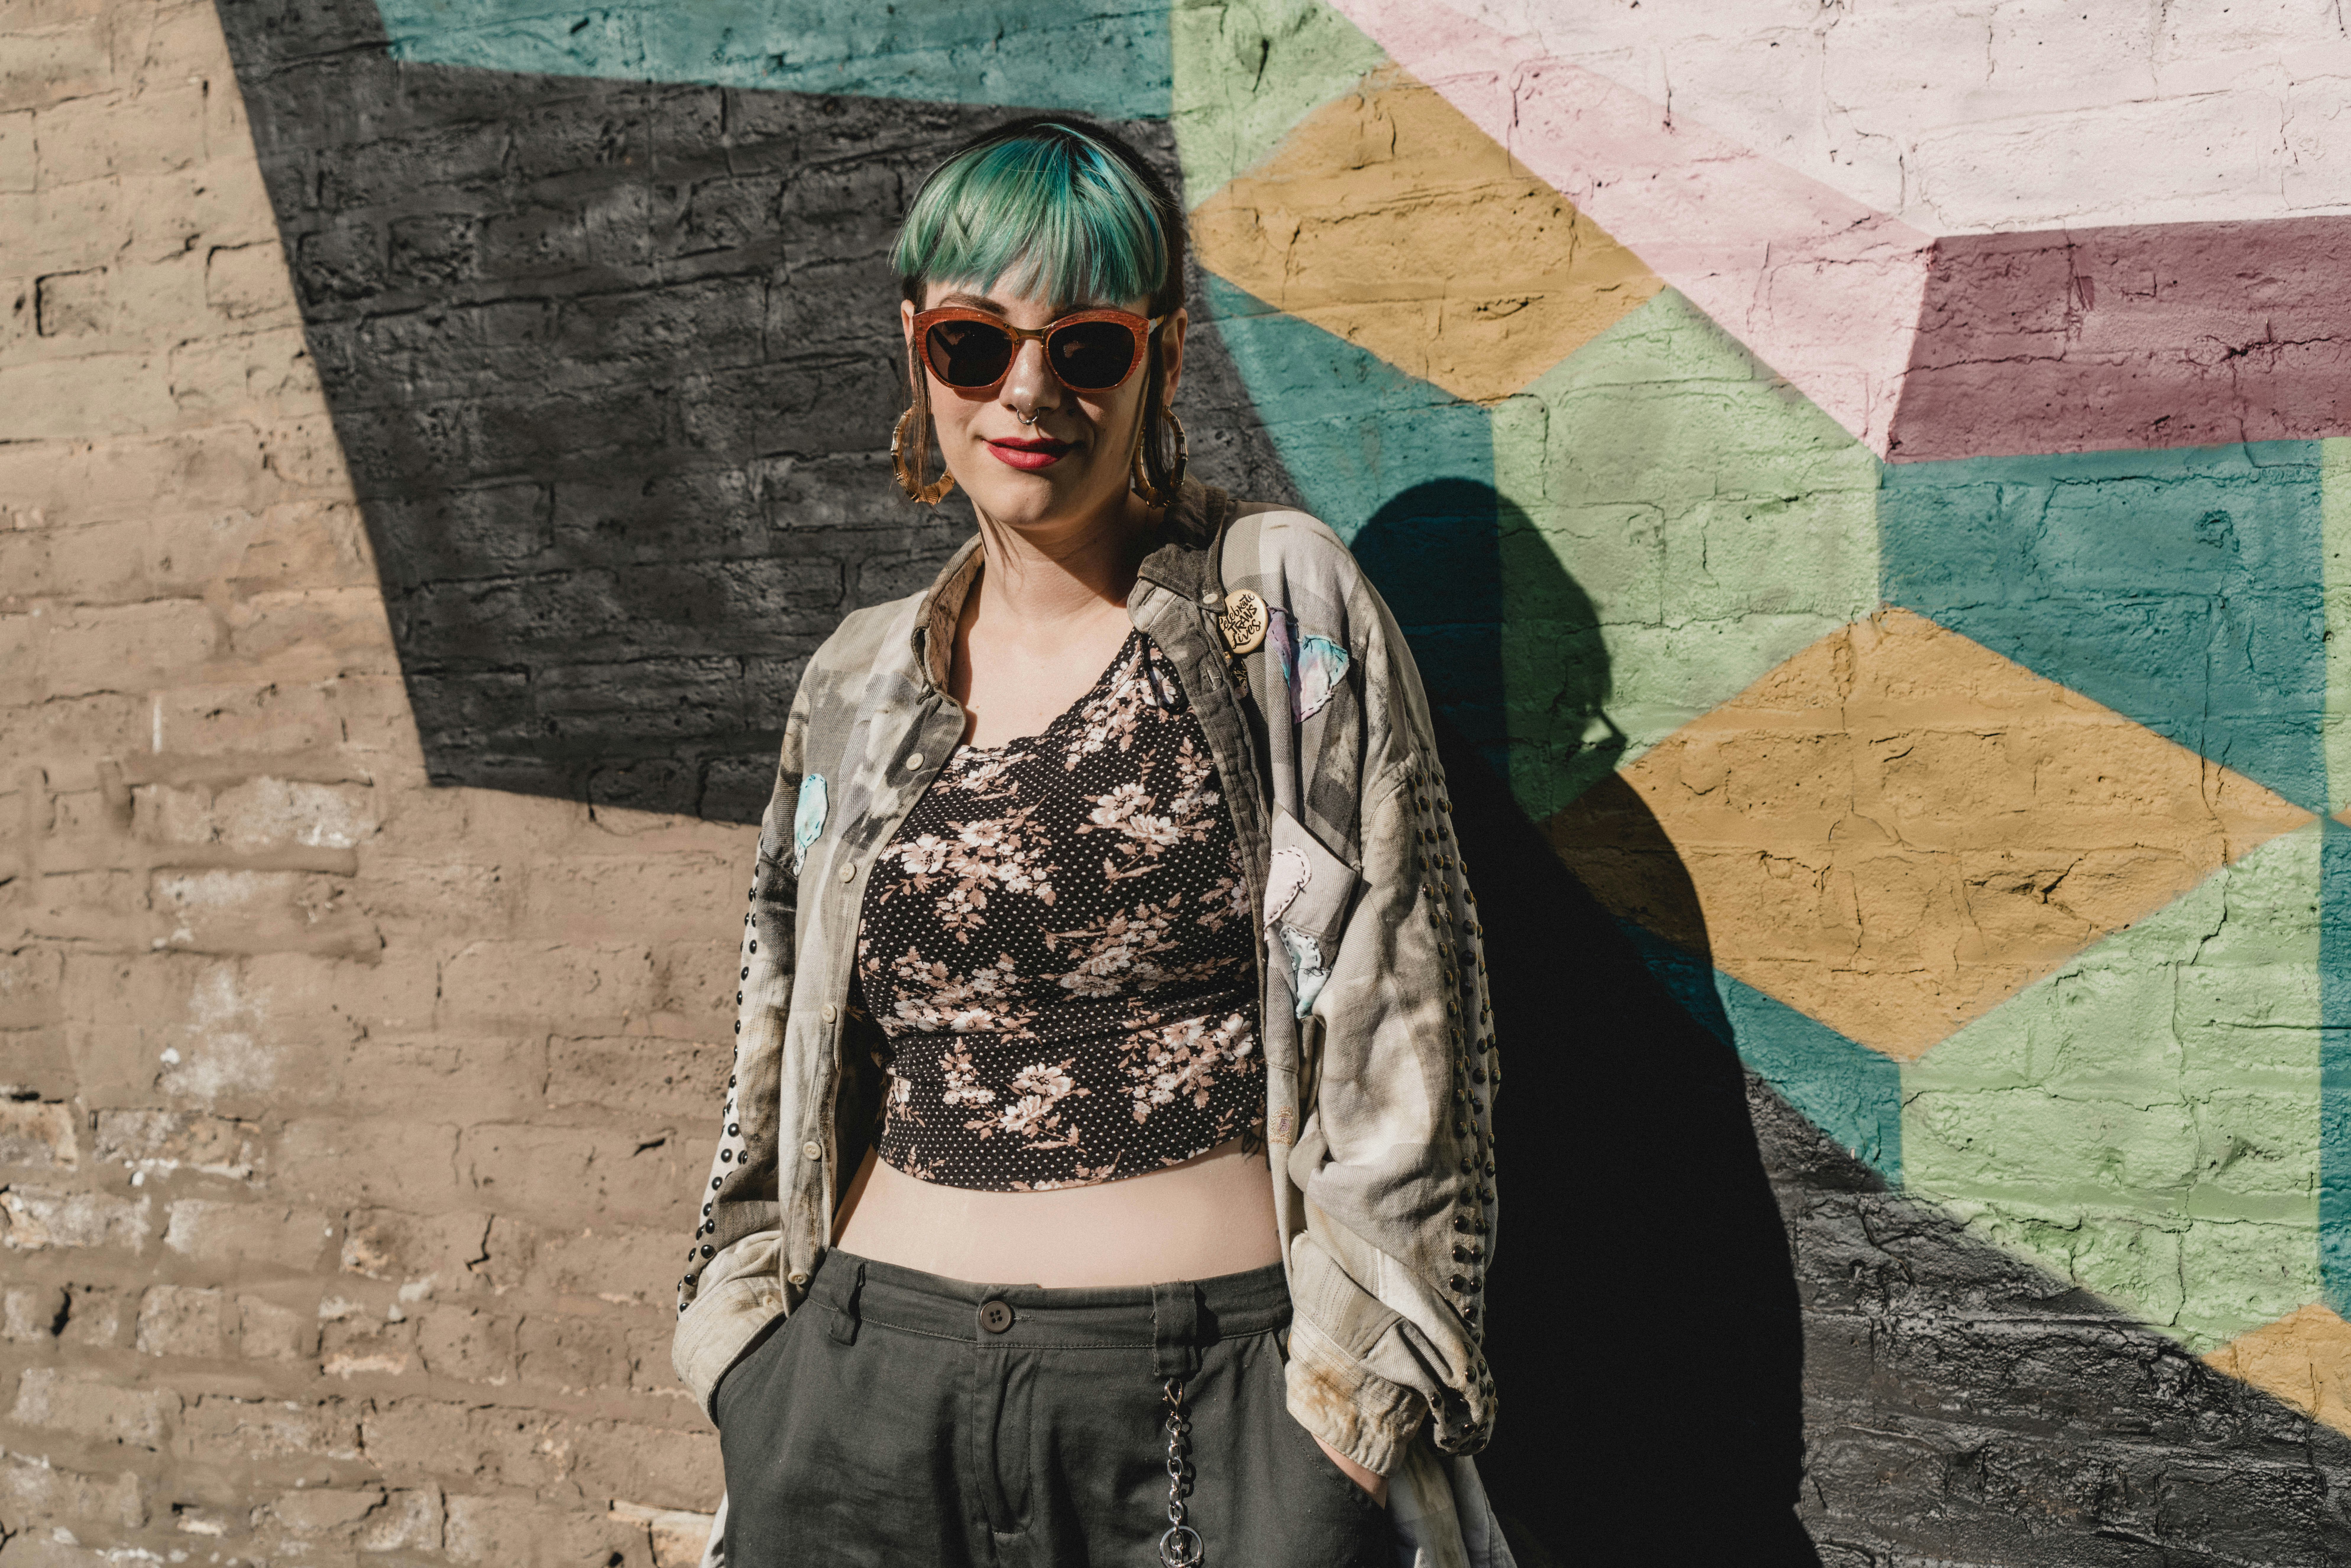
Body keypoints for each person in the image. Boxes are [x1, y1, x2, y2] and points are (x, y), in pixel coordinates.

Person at [670, 114, 1509, 1568]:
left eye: (1089, 346)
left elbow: (1402, 1014)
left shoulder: (1271, 605)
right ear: (918, 350)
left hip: (1207, 1414)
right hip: (858, 1400)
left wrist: (1349, 1416)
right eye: (974, 346)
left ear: (1162, 360)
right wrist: (748, 1353)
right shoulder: (857, 682)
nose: (1030, 391)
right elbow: (770, 1033)